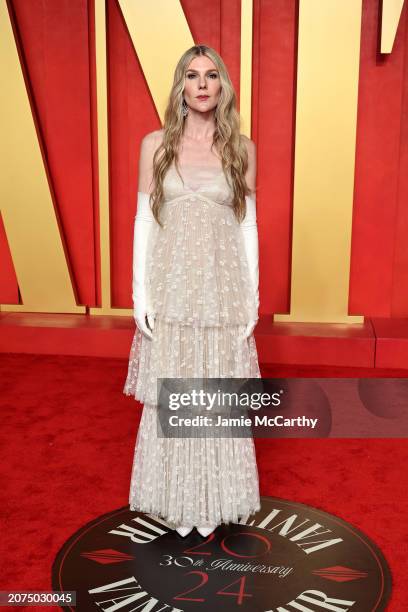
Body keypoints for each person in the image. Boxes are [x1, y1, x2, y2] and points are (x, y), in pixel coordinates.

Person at [123, 44, 261, 538]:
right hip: (174, 288)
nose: (202, 84)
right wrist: (142, 295)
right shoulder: (155, 144)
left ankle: (214, 501)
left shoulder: (241, 148)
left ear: (222, 86)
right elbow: (145, 220)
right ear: (181, 86)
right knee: (175, 394)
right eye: (191, 75)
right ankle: (177, 500)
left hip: (223, 290)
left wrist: (253, 297)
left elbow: (247, 226)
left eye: (211, 76)